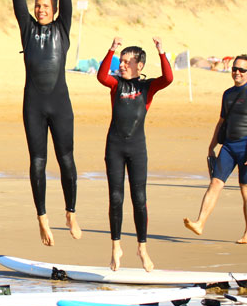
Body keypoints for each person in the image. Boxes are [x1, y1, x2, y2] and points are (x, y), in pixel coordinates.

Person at [12, 0, 81, 246]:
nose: (40, 9)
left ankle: (70, 212)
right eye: (37, 5)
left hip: (61, 104)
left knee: (66, 159)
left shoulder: (62, 28)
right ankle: (42, 218)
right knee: (37, 161)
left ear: (54, 10)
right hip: (34, 106)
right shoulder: (27, 30)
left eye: (45, 6)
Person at [97, 37, 172, 271]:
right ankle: (115, 248)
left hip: (137, 148)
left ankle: (142, 248)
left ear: (138, 66)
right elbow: (101, 76)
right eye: (120, 61)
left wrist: (162, 52)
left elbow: (168, 78)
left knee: (139, 199)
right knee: (116, 198)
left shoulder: (147, 87)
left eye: (126, 61)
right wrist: (111, 49)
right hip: (115, 147)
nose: (121, 64)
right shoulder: (115, 85)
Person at [184, 54, 247, 244]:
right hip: (228, 146)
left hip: (246, 145)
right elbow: (221, 121)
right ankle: (200, 223)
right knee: (215, 183)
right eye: (234, 68)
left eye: (241, 70)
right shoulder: (228, 94)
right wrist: (212, 146)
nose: (236, 72)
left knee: (245, 190)